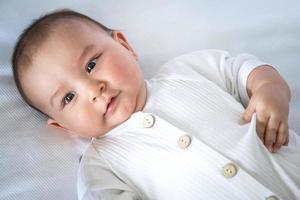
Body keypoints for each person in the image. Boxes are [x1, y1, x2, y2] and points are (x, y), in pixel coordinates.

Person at [11, 9, 300, 200]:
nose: (93, 91)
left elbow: (244, 70)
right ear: (63, 126)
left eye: (91, 64)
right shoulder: (101, 168)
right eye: (68, 98)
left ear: (124, 45)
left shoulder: (188, 69)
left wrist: (269, 88)